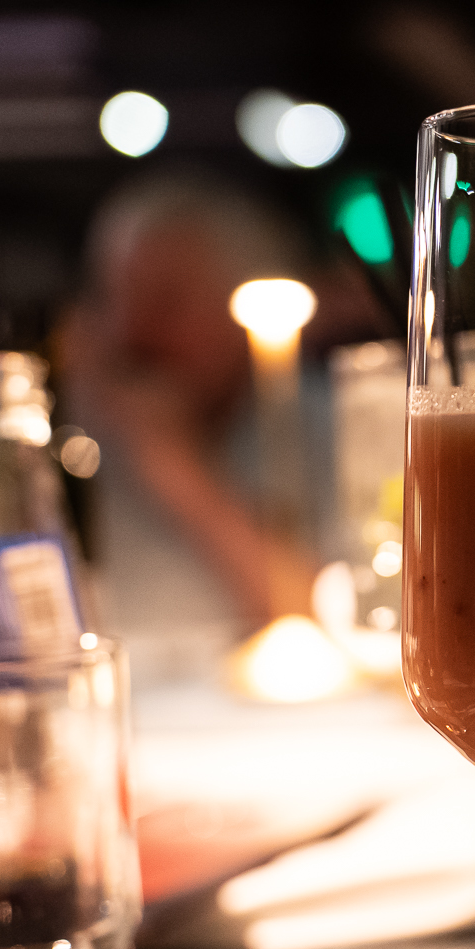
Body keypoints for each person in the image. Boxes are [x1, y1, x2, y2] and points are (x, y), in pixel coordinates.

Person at [58, 175, 377, 666]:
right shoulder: (59, 444)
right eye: (113, 298)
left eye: (167, 300)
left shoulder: (337, 430)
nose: (130, 329)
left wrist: (174, 466)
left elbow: (352, 635)